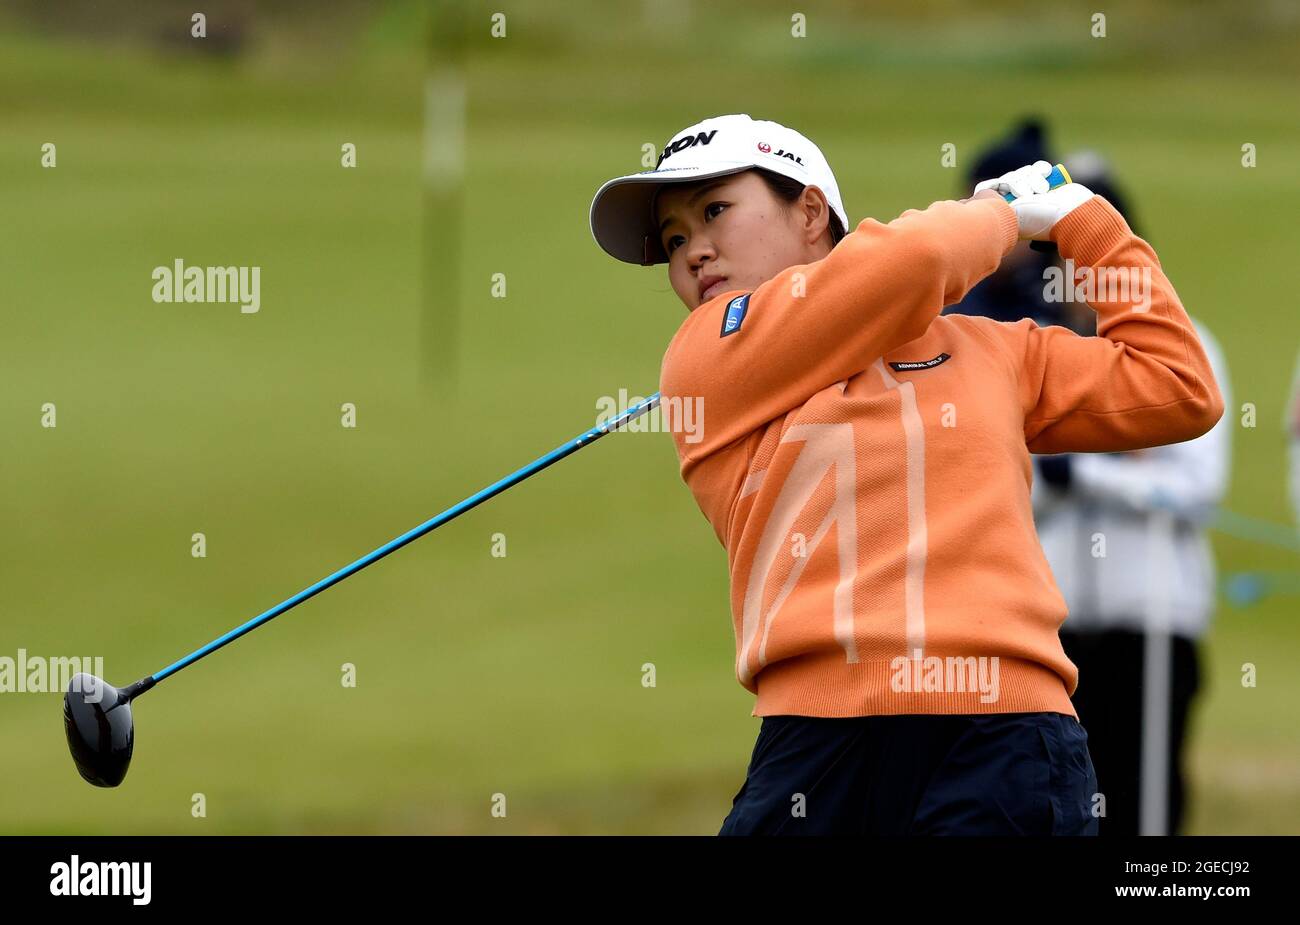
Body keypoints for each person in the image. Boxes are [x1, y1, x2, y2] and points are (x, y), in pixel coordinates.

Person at [587, 113, 1224, 835]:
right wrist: (1002, 213)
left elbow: (1177, 384)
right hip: (818, 742)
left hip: (1005, 733)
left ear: (809, 211)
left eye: (714, 212)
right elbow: (913, 261)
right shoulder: (705, 357)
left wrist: (1085, 221)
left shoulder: (993, 351)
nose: (694, 251)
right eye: (673, 239)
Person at [1029, 151, 1233, 836]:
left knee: (1147, 803)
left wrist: (1086, 469)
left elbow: (1197, 487)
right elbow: (1004, 481)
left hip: (1154, 618)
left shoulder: (1184, 346)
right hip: (1056, 628)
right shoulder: (1035, 351)